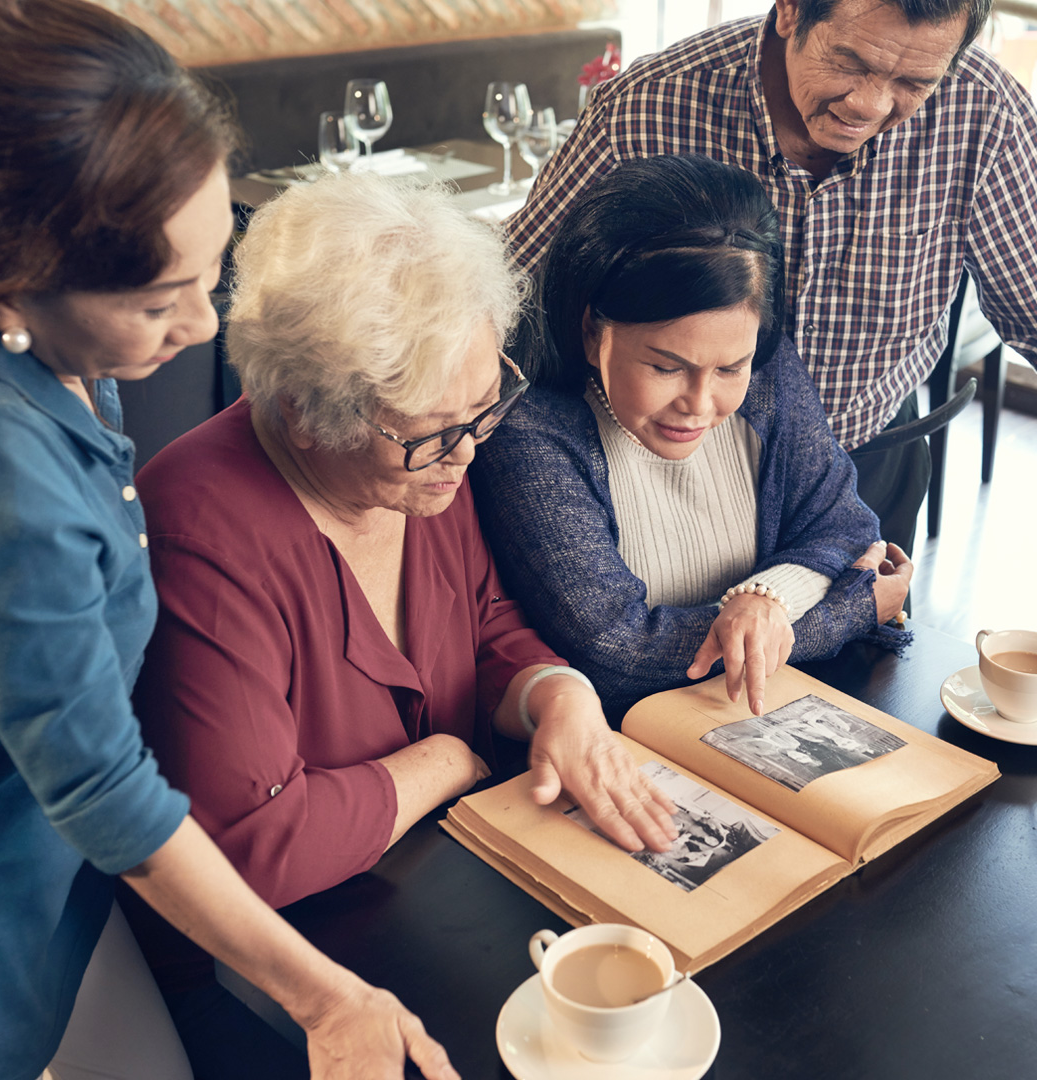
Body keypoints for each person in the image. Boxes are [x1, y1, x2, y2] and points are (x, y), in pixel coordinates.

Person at [0, 4, 460, 1079]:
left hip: (68, 904)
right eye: (156, 301)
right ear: (2, 285)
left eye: (211, 265)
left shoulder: (54, 363)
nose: (202, 326)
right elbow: (104, 794)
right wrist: (328, 1002)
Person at [122, 171, 680, 1078]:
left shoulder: (421, 461)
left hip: (422, 893)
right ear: (304, 413)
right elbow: (250, 848)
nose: (467, 453)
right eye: (431, 432)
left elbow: (488, 618)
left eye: (482, 408)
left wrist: (559, 695)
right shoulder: (200, 533)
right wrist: (449, 760)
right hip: (266, 977)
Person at [504, 0, 1037, 558]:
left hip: (866, 461)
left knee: (861, 640)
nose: (870, 105)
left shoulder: (985, 112)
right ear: (790, 11)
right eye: (849, 61)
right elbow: (514, 292)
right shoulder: (649, 105)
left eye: (913, 82)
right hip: (652, 471)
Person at [472, 155, 912, 723]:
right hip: (618, 741)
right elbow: (616, 651)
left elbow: (848, 531)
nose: (701, 406)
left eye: (730, 368)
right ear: (589, 331)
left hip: (766, 712)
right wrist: (851, 609)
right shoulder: (531, 428)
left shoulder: (769, 375)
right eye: (666, 367)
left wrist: (765, 602)